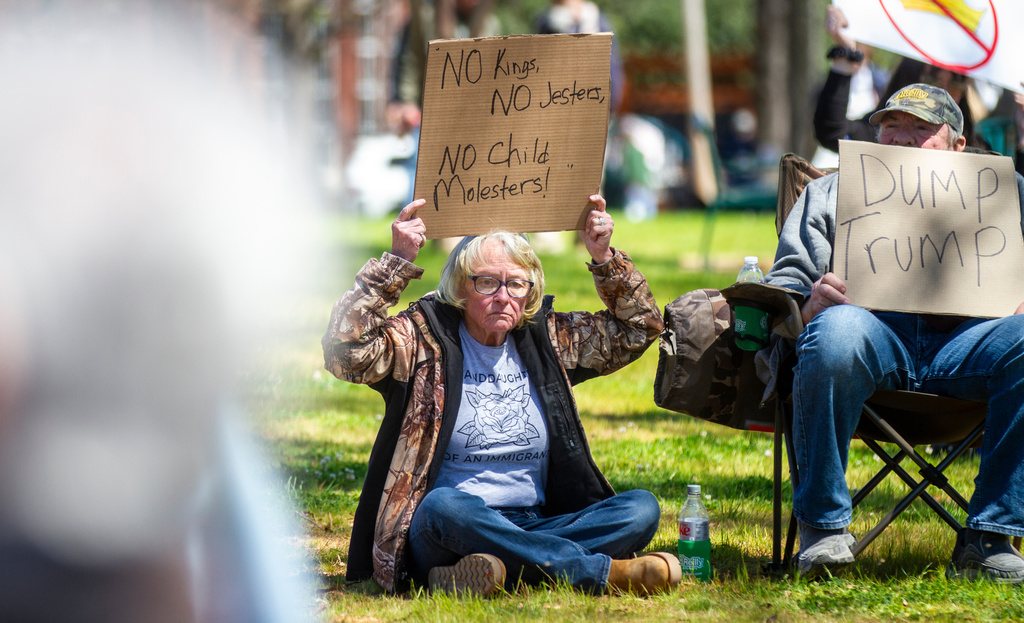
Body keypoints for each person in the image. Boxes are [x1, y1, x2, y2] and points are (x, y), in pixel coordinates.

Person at [322, 194, 681, 595]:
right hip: (449, 523)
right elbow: (345, 352)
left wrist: (603, 258)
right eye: (487, 282)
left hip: (536, 519)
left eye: (516, 284)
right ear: (460, 286)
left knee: (640, 509)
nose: (503, 296)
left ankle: (486, 569)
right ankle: (596, 572)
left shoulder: (548, 339)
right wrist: (396, 261)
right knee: (446, 506)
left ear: (530, 290)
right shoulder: (423, 340)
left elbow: (638, 328)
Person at [765, 83, 1024, 582]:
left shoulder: (1007, 192)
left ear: (958, 145)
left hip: (973, 346)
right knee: (835, 330)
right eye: (890, 126)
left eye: (921, 129)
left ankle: (991, 537)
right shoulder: (830, 192)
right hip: (869, 336)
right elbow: (784, 287)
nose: (902, 138)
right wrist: (809, 302)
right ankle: (822, 529)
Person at [813, 6, 985, 154]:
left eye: (955, 85)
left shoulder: (980, 150)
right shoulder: (883, 137)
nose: (945, 91)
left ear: (958, 145)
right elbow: (831, 133)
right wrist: (844, 60)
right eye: (933, 82)